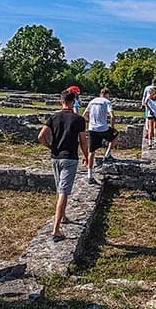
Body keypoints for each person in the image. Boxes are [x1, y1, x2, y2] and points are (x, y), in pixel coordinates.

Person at [38, 88, 88, 241]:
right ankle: (56, 230)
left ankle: (63, 216)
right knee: (64, 192)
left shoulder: (54, 117)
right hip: (70, 158)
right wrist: (87, 156)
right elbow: (83, 141)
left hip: (55, 157)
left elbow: (41, 136)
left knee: (60, 189)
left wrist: (51, 147)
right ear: (74, 102)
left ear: (61, 102)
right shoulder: (78, 119)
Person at [83, 88, 117, 179]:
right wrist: (112, 127)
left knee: (91, 151)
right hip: (103, 128)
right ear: (107, 95)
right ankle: (107, 154)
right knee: (115, 135)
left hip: (92, 129)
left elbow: (84, 116)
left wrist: (91, 122)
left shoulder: (92, 101)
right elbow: (112, 117)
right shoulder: (107, 102)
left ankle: (89, 175)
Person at [143, 85, 156, 149]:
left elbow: (145, 103)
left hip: (151, 113)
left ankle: (150, 143)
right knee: (155, 128)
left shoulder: (149, 96)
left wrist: (150, 109)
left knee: (150, 128)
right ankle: (155, 142)